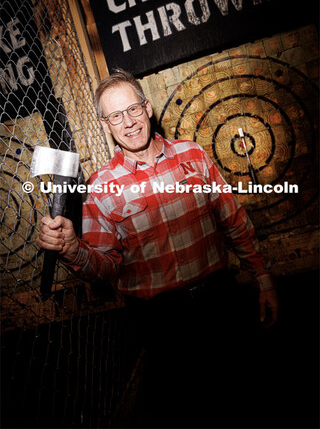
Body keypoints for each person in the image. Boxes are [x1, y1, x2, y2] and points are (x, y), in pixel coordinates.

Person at [37, 68, 278, 426]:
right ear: (105, 124)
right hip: (162, 324)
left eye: (133, 109)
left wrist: (263, 278)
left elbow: (233, 219)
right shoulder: (101, 187)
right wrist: (73, 250)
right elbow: (107, 267)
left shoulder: (193, 156)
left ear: (148, 108)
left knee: (246, 401)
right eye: (115, 115)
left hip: (221, 302)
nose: (128, 122)